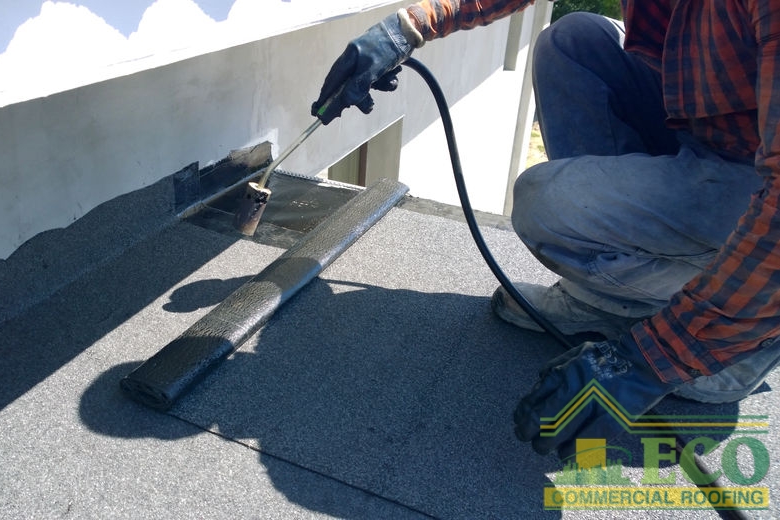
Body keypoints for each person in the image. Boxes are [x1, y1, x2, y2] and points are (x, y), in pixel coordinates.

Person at [311, 0, 780, 458]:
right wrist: (408, 27)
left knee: (545, 205)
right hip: (715, 137)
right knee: (573, 42)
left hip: (761, 193)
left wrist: (652, 361)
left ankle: (744, 342)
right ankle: (605, 301)